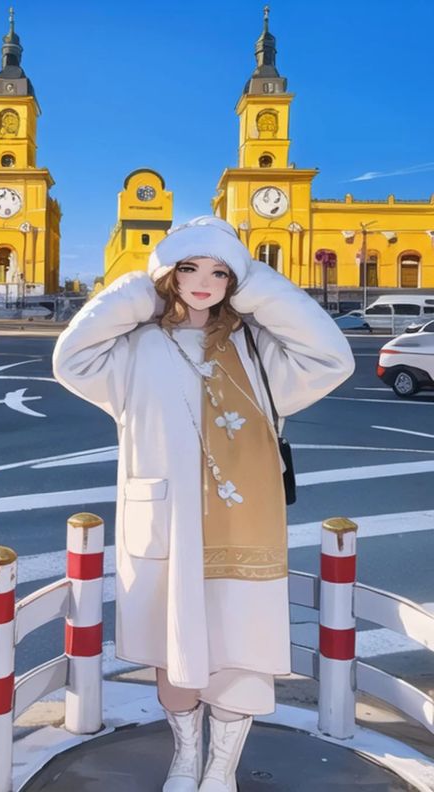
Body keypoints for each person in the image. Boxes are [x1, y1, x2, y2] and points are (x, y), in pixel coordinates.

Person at [52, 216, 355, 791]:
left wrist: (258, 282)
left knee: (239, 646)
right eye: (188, 267)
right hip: (167, 519)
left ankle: (222, 766)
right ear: (168, 274)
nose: (202, 281)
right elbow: (71, 358)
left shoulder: (257, 348)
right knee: (175, 645)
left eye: (219, 271)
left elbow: (332, 358)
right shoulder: (136, 347)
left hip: (244, 521)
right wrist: (137, 289)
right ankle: (186, 756)